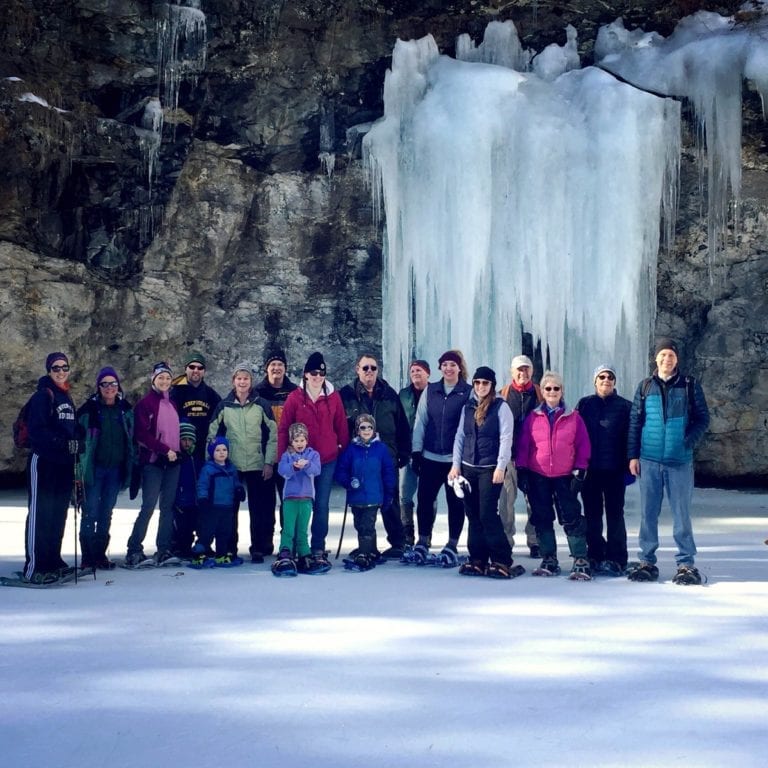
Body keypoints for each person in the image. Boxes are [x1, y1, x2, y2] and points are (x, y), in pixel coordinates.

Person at [627, 338, 710, 585]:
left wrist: (687, 441)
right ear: (656, 358)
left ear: (677, 359)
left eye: (671, 355)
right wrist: (633, 455)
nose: (666, 359)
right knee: (647, 514)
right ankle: (646, 561)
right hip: (649, 460)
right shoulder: (644, 387)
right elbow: (635, 423)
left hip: (679, 461)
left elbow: (703, 419)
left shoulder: (689, 385)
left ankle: (686, 563)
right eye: (662, 355)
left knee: (682, 514)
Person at [515, 370, 592, 580]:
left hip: (564, 475)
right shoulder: (533, 417)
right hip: (538, 474)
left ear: (562, 391)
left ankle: (580, 557)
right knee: (542, 517)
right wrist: (521, 469)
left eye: (556, 388)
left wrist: (580, 469)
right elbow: (524, 445)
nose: (551, 392)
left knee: (571, 517)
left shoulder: (573, 417)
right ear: (543, 391)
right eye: (547, 388)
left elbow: (583, 445)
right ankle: (549, 557)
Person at [278, 352, 349, 573]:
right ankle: (294, 547)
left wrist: (343, 454)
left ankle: (317, 547)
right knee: (297, 503)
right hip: (300, 460)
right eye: (313, 373)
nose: (318, 376)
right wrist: (284, 458)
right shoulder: (295, 398)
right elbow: (283, 428)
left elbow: (342, 428)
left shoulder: (333, 396)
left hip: (326, 460)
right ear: (306, 374)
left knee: (321, 505)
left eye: (321, 373)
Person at [339, 353, 410, 558]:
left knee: (390, 499)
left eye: (373, 368)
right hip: (359, 460)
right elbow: (339, 426)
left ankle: (398, 542)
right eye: (365, 368)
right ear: (357, 369)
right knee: (361, 502)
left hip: (386, 457)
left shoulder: (389, 394)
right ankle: (367, 545)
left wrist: (403, 452)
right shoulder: (346, 395)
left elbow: (402, 426)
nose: (369, 372)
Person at [449, 367, 516, 578]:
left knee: (487, 514)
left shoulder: (501, 407)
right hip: (468, 468)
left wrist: (501, 466)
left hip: (489, 469)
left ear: (492, 385)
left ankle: (501, 558)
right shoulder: (468, 407)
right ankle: (477, 557)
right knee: (472, 514)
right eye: (477, 382)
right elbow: (460, 436)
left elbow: (506, 438)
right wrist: (455, 464)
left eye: (485, 383)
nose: (480, 387)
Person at [207, 362, 277, 563]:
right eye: (239, 378)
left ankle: (258, 547)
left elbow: (273, 434)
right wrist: (213, 462)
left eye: (246, 378)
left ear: (251, 381)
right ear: (233, 381)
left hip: (257, 462)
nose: (242, 381)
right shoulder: (224, 405)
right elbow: (212, 434)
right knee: (230, 509)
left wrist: (269, 462)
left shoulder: (261, 404)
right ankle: (229, 548)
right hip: (231, 466)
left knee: (259, 509)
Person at [409, 349, 472, 565]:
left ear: (459, 367)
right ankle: (423, 540)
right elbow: (421, 421)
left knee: (456, 503)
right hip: (430, 456)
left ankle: (452, 543)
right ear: (440, 368)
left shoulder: (468, 392)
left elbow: (470, 427)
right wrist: (416, 451)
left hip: (455, 461)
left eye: (452, 364)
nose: (448, 368)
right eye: (444, 364)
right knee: (425, 501)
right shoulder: (431, 390)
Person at [23, 352, 82, 584]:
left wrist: (79, 440)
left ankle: (52, 560)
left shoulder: (66, 397)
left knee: (58, 513)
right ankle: (35, 566)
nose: (60, 371)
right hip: (44, 461)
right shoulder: (43, 396)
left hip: (63, 463)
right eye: (56, 368)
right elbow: (37, 430)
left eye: (64, 367)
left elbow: (71, 428)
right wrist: (61, 442)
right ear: (49, 370)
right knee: (41, 513)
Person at [576, 364, 632, 576]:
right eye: (601, 377)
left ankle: (617, 558)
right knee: (592, 515)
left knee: (615, 515)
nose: (606, 380)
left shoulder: (625, 406)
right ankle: (595, 554)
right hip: (590, 471)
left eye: (610, 377)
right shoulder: (585, 404)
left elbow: (631, 436)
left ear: (614, 382)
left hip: (615, 470)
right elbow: (576, 436)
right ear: (595, 381)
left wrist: (629, 464)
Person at [76, 366, 134, 570]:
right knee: (89, 511)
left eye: (113, 383)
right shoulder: (88, 411)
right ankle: (87, 556)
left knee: (106, 512)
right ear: (98, 387)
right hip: (94, 470)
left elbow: (131, 440)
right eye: (105, 384)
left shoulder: (125, 410)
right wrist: (78, 473)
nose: (109, 388)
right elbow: (79, 444)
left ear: (118, 386)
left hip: (115, 470)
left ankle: (100, 554)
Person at [126, 362, 182, 568]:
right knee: (148, 506)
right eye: (161, 378)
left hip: (173, 461)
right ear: (153, 380)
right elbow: (141, 434)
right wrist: (162, 449)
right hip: (153, 462)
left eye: (168, 378)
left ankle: (164, 548)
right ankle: (134, 549)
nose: (165, 381)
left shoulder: (172, 403)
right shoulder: (146, 404)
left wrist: (177, 450)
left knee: (167, 507)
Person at [334, 414, 397, 571]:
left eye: (370, 427)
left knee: (366, 526)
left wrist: (389, 493)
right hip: (356, 497)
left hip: (374, 496)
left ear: (374, 430)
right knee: (359, 524)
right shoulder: (351, 450)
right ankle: (372, 550)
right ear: (357, 430)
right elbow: (341, 470)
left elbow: (388, 471)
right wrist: (348, 482)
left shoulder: (381, 449)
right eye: (363, 428)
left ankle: (364, 554)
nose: (366, 430)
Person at [498, 354, 542, 557]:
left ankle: (534, 540)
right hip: (510, 458)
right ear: (512, 372)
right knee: (506, 501)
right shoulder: (502, 395)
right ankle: (506, 539)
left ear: (531, 372)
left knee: (534, 501)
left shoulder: (542, 394)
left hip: (535, 458)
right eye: (519, 369)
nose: (523, 373)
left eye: (526, 369)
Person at [255, 349, 298, 529]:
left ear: (285, 368)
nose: (276, 368)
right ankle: (263, 544)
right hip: (264, 453)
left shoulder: (294, 391)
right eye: (273, 364)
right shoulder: (257, 392)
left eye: (280, 364)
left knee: (288, 500)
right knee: (263, 502)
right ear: (267, 368)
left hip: (288, 453)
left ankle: (288, 543)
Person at [274, 422, 322, 575]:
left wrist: (306, 465)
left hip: (306, 498)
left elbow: (316, 470)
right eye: (296, 441)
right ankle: (285, 552)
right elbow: (282, 471)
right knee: (288, 528)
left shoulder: (313, 455)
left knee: (302, 529)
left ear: (307, 440)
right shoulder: (287, 456)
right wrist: (294, 467)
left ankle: (304, 553)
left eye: (302, 440)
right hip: (290, 498)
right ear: (291, 442)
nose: (299, 443)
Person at [191, 437, 245, 568]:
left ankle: (221, 554)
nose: (222, 453)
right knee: (207, 532)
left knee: (224, 532)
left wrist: (239, 490)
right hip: (212, 507)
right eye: (218, 450)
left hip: (227, 507)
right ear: (212, 452)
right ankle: (198, 554)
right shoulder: (208, 469)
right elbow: (202, 485)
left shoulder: (231, 468)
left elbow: (235, 482)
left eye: (224, 449)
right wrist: (202, 499)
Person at [398, 359, 432, 545]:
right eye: (413, 370)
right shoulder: (403, 395)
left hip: (429, 452)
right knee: (405, 493)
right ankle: (407, 533)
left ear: (428, 374)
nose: (415, 373)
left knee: (428, 495)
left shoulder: (435, 392)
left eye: (419, 370)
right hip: (408, 451)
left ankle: (426, 535)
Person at [170, 351, 221, 462]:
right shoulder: (175, 392)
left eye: (200, 367)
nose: (196, 370)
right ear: (185, 369)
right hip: (182, 446)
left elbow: (220, 417)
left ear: (204, 371)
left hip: (203, 446)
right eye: (192, 367)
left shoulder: (211, 394)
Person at [171, 421, 202, 559]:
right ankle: (179, 547)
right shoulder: (178, 457)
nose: (187, 443)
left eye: (190, 439)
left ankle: (191, 548)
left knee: (193, 524)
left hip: (195, 499)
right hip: (181, 499)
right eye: (184, 439)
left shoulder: (197, 458)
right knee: (181, 526)